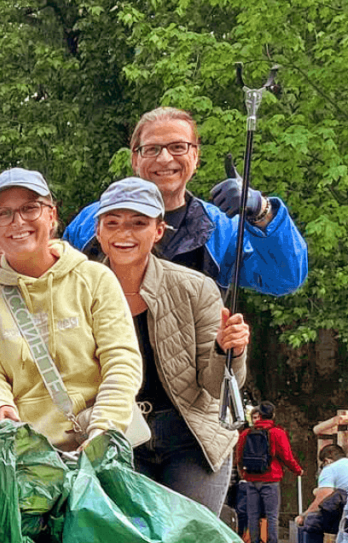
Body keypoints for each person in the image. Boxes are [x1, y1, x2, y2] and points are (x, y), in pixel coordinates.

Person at [93, 178, 250, 513]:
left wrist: (227, 349)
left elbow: (215, 385)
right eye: (113, 223)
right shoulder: (78, 290)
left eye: (139, 223)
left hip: (190, 434)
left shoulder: (198, 288)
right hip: (119, 433)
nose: (125, 233)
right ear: (99, 230)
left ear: (159, 230)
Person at [0, 167, 142, 450]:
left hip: (98, 445)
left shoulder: (95, 279)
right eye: (3, 213)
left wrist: (103, 430)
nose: (17, 221)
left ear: (51, 214)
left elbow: (121, 360)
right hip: (27, 457)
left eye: (30, 208)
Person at [64, 107, 308, 296]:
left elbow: (285, 279)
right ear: (135, 159)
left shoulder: (219, 229)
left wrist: (262, 210)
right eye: (152, 149)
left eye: (178, 147)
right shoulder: (91, 221)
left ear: (196, 156)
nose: (165, 158)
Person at [235, 401, 303, 543]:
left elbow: (239, 456)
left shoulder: (246, 433)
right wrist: (297, 470)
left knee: (253, 515)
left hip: (251, 479)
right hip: (270, 478)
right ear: (272, 415)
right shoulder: (276, 433)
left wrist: (243, 474)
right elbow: (286, 456)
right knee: (272, 515)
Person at [288, 443, 348, 543]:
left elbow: (323, 498)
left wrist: (303, 516)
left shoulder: (330, 469)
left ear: (327, 460)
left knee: (311, 522)